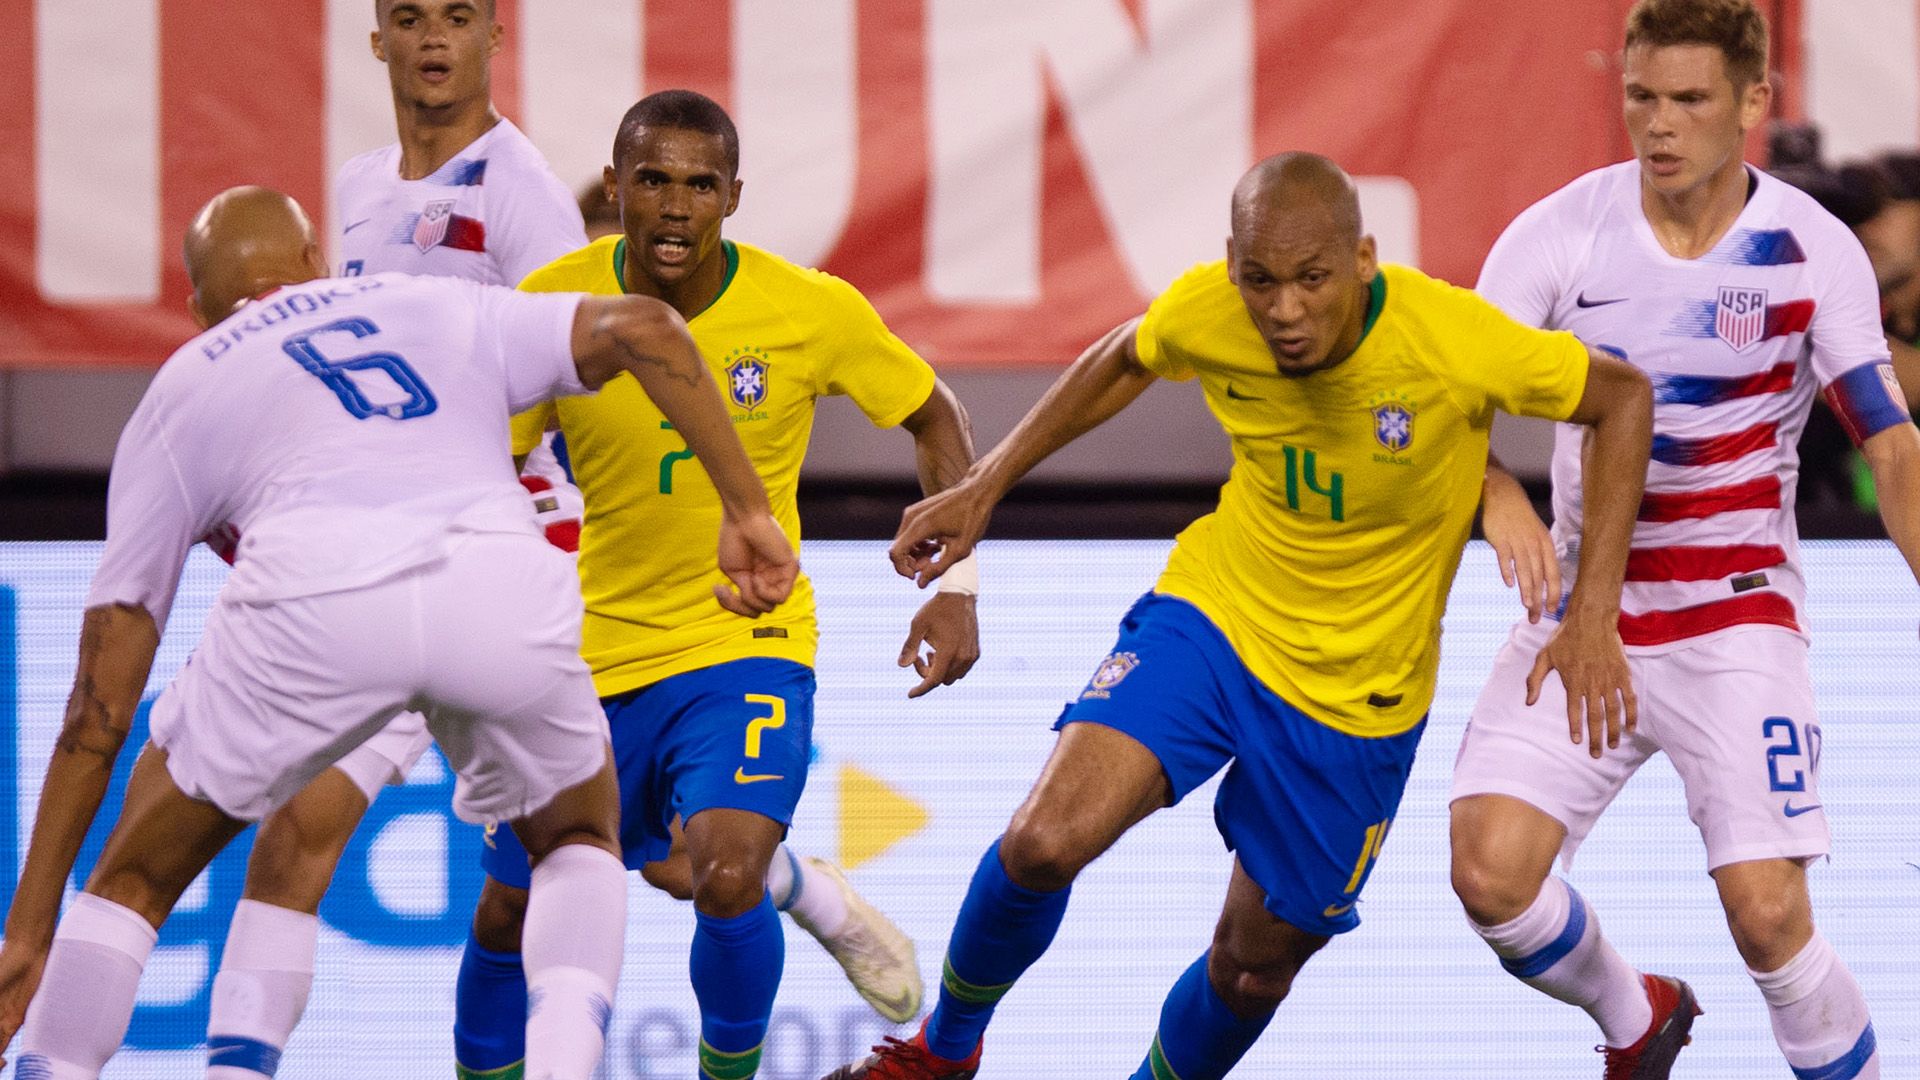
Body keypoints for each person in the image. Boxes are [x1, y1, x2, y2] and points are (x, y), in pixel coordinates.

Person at [822, 151, 1654, 1080]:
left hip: (1355, 698)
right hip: (1216, 620)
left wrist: (1592, 612)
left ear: (1364, 261)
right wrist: (985, 487)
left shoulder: (1456, 337)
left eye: (1311, 280)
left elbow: (1622, 398)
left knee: (1252, 971)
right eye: (1260, 280)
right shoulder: (1210, 311)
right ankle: (941, 1052)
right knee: (1042, 842)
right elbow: (1122, 356)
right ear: (1232, 265)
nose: (1284, 311)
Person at [0, 186, 798, 1079]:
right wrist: (748, 510)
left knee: (134, 884)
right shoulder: (429, 299)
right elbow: (647, 330)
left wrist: (27, 930)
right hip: (494, 592)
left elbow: (98, 707)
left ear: (197, 307)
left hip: (312, 614)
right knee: (578, 842)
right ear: (314, 264)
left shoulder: (183, 386)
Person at [454, 90, 979, 1080]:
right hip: (587, 655)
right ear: (617, 188)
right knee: (511, 903)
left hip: (746, 643)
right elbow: (477, 455)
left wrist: (962, 582)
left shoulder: (807, 309)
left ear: (734, 197)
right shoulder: (548, 308)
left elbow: (933, 412)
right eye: (652, 180)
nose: (676, 205)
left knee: (725, 873)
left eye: (701, 185)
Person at [1447, 2, 1920, 1077]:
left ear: (1754, 103)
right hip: (1584, 618)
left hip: (1737, 621)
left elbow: (1890, 449)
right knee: (1490, 880)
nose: (1658, 126)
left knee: (1765, 917)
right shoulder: (1560, 233)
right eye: (1641, 97)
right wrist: (1494, 494)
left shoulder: (1812, 252)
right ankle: (1640, 1016)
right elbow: (1447, 397)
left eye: (1690, 100)